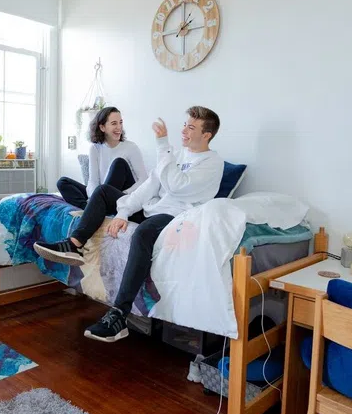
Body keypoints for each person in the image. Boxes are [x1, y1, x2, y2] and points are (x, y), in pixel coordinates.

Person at [34, 106, 224, 342]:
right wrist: (123, 211)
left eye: (191, 127)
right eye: (185, 124)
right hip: (153, 209)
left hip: (177, 217)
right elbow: (148, 188)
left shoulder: (212, 163)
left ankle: (119, 314)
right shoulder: (176, 157)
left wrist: (163, 145)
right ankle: (74, 244)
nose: (183, 130)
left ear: (206, 135)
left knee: (143, 233)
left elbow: (176, 186)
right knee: (103, 192)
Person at [57, 107, 148, 209]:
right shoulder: (95, 148)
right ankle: (88, 208)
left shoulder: (131, 147)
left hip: (121, 196)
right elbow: (93, 181)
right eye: (114, 123)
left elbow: (144, 179)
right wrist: (93, 197)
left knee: (119, 163)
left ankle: (94, 208)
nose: (119, 127)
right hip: (101, 194)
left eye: (120, 122)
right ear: (102, 127)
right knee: (62, 182)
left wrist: (125, 193)